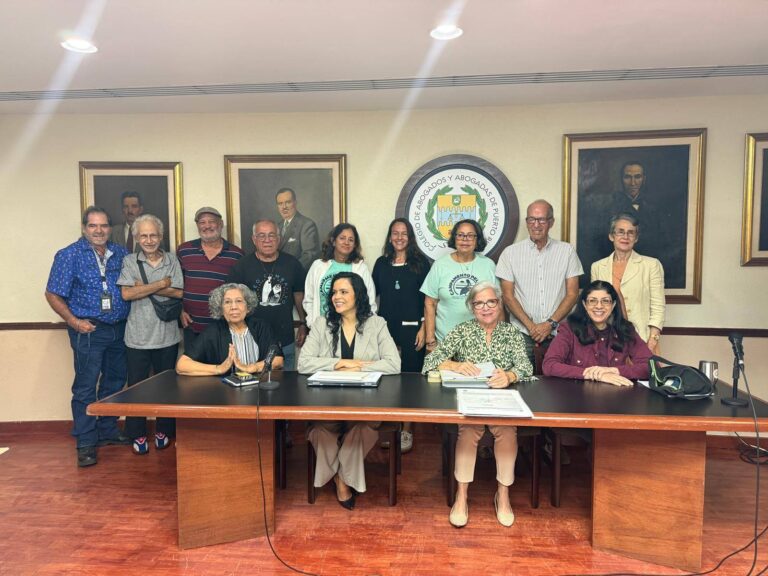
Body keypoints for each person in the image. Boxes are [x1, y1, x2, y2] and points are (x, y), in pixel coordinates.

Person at [422, 282, 532, 528]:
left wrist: (510, 376)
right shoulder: (461, 331)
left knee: (506, 431)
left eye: (491, 302)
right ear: (472, 308)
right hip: (471, 399)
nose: (485, 308)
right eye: (479, 303)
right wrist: (454, 365)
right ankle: (461, 497)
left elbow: (526, 367)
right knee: (469, 430)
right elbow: (430, 361)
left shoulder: (511, 333)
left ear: (499, 304)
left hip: (503, 400)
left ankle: (502, 495)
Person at [298, 272, 400, 510]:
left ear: (358, 295)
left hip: (367, 402)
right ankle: (342, 477)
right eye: (334, 292)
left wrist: (361, 366)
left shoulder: (376, 323)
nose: (336, 297)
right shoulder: (323, 323)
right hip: (327, 401)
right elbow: (304, 363)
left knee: (364, 428)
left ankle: (341, 478)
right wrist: (338, 363)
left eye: (343, 292)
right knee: (321, 430)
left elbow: (394, 364)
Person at [45, 206, 131, 467]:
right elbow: (52, 294)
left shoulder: (121, 253)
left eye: (104, 226)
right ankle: (85, 441)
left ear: (110, 228)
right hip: (89, 330)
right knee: (85, 385)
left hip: (119, 328)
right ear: (84, 228)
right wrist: (74, 321)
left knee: (115, 381)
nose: (99, 230)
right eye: (93, 226)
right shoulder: (69, 255)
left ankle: (107, 431)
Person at [117, 214, 183, 455]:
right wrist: (160, 284)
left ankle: (164, 429)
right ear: (136, 238)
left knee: (167, 387)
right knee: (136, 387)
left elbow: (178, 292)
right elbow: (126, 294)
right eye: (143, 235)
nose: (148, 239)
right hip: (136, 337)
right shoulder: (129, 261)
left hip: (168, 336)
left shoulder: (172, 260)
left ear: (161, 236)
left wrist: (141, 287)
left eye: (153, 234)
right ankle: (138, 433)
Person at [497, 200, 583, 367]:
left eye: (542, 220)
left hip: (560, 334)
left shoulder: (567, 251)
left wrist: (549, 324)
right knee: (521, 384)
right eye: (531, 219)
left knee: (558, 387)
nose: (536, 225)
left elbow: (572, 294)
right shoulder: (510, 253)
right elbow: (508, 296)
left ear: (551, 222)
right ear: (527, 222)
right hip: (522, 335)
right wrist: (532, 327)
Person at [372, 218, 430, 453]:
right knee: (387, 379)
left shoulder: (420, 263)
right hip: (385, 330)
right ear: (389, 236)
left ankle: (407, 429)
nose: (399, 237)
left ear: (410, 237)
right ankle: (388, 426)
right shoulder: (381, 263)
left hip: (413, 329)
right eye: (395, 233)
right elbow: (371, 297)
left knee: (409, 381)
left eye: (404, 233)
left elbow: (428, 299)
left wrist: (425, 328)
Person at [227, 219, 307, 369]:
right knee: (253, 387)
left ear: (279, 238)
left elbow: (298, 296)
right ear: (254, 239)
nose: (267, 240)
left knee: (286, 387)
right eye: (261, 236)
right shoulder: (241, 267)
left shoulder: (292, 264)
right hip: (251, 339)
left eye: (271, 235)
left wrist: (303, 323)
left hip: (285, 338)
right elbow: (231, 302)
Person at [542, 280, 652, 385]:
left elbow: (651, 367)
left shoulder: (625, 330)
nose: (599, 306)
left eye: (605, 301)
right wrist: (595, 375)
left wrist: (614, 371)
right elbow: (549, 365)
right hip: (576, 397)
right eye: (592, 301)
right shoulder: (569, 329)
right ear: (585, 305)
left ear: (613, 305)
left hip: (616, 398)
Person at [591, 212, 665, 354]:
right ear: (611, 236)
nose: (625, 237)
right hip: (608, 342)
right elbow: (595, 307)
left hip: (643, 340)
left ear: (636, 238)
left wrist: (652, 341)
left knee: (643, 376)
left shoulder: (651, 265)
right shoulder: (597, 267)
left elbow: (658, 307)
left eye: (631, 233)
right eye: (620, 232)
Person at [421, 219, 497, 353]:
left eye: (470, 235)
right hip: (444, 343)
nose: (465, 239)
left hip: (480, 343)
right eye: (460, 235)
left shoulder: (488, 265)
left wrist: (494, 338)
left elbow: (498, 305)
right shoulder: (440, 265)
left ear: (477, 239)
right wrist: (430, 340)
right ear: (454, 238)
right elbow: (430, 303)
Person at [176, 283, 283, 376]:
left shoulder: (260, 326)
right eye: (227, 302)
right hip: (224, 393)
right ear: (220, 309)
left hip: (258, 389)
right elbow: (182, 365)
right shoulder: (213, 331)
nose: (233, 307)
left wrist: (252, 367)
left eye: (239, 301)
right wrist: (219, 368)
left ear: (248, 307)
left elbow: (278, 360)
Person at [177, 207, 244, 351]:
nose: (207, 226)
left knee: (223, 369)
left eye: (211, 221)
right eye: (202, 222)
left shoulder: (236, 254)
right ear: (197, 226)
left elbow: (241, 292)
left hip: (224, 327)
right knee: (194, 370)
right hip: (192, 326)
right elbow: (177, 285)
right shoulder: (184, 250)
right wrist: (180, 310)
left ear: (220, 224)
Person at [303, 223, 376, 326]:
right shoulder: (318, 266)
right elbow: (309, 299)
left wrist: (363, 329)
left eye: (351, 240)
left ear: (355, 245)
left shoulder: (360, 269)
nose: (346, 242)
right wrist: (312, 323)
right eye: (342, 238)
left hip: (352, 331)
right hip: (322, 330)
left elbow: (370, 302)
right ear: (333, 241)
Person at [276, 188, 321, 270]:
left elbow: (309, 255)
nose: (284, 207)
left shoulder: (307, 225)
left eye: (288, 202)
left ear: (295, 203)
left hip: (297, 274)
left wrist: (290, 270)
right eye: (280, 203)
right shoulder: (277, 226)